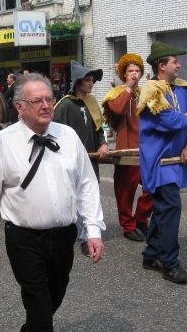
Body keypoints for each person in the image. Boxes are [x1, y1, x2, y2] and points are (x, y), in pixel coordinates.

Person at [0, 73, 105, 332]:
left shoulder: (67, 136)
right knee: (40, 307)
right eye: (37, 101)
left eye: (49, 99)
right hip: (24, 239)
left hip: (63, 237)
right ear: (19, 107)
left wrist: (93, 230)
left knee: (53, 299)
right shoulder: (2, 142)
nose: (46, 105)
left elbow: (87, 185)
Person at [137, 41, 187, 284]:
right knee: (170, 208)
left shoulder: (182, 89)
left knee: (164, 209)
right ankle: (170, 264)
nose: (179, 64)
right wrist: (185, 117)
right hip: (158, 161)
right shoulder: (151, 91)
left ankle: (151, 255)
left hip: (175, 159)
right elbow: (170, 120)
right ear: (162, 66)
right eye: (175, 61)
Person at [54, 61, 109, 255]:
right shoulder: (64, 106)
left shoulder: (91, 102)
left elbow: (98, 127)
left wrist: (102, 143)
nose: (91, 84)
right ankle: (84, 237)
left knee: (90, 193)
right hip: (73, 160)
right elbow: (54, 133)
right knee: (77, 199)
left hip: (91, 159)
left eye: (92, 80)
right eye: (87, 80)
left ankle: (91, 230)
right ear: (77, 82)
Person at [103, 53, 154, 242]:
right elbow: (117, 110)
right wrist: (128, 88)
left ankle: (141, 219)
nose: (134, 73)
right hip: (126, 148)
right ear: (124, 74)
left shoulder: (146, 93)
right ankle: (128, 225)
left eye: (137, 70)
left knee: (154, 187)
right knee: (125, 190)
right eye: (130, 71)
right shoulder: (115, 94)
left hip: (147, 149)